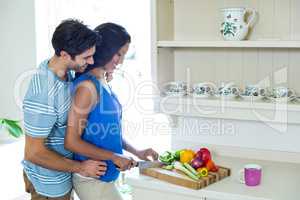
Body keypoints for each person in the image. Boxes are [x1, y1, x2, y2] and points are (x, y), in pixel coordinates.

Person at [65, 22, 159, 200]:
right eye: (118, 54)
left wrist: (136, 151)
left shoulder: (103, 82)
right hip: (91, 180)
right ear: (105, 50)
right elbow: (71, 141)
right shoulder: (87, 88)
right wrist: (114, 157)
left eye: (124, 55)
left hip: (105, 177)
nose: (121, 61)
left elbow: (107, 131)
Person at [22, 19, 107, 200]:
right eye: (86, 57)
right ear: (65, 55)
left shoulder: (62, 71)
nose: (91, 61)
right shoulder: (43, 94)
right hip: (49, 182)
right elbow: (33, 152)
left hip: (61, 173)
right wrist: (81, 167)